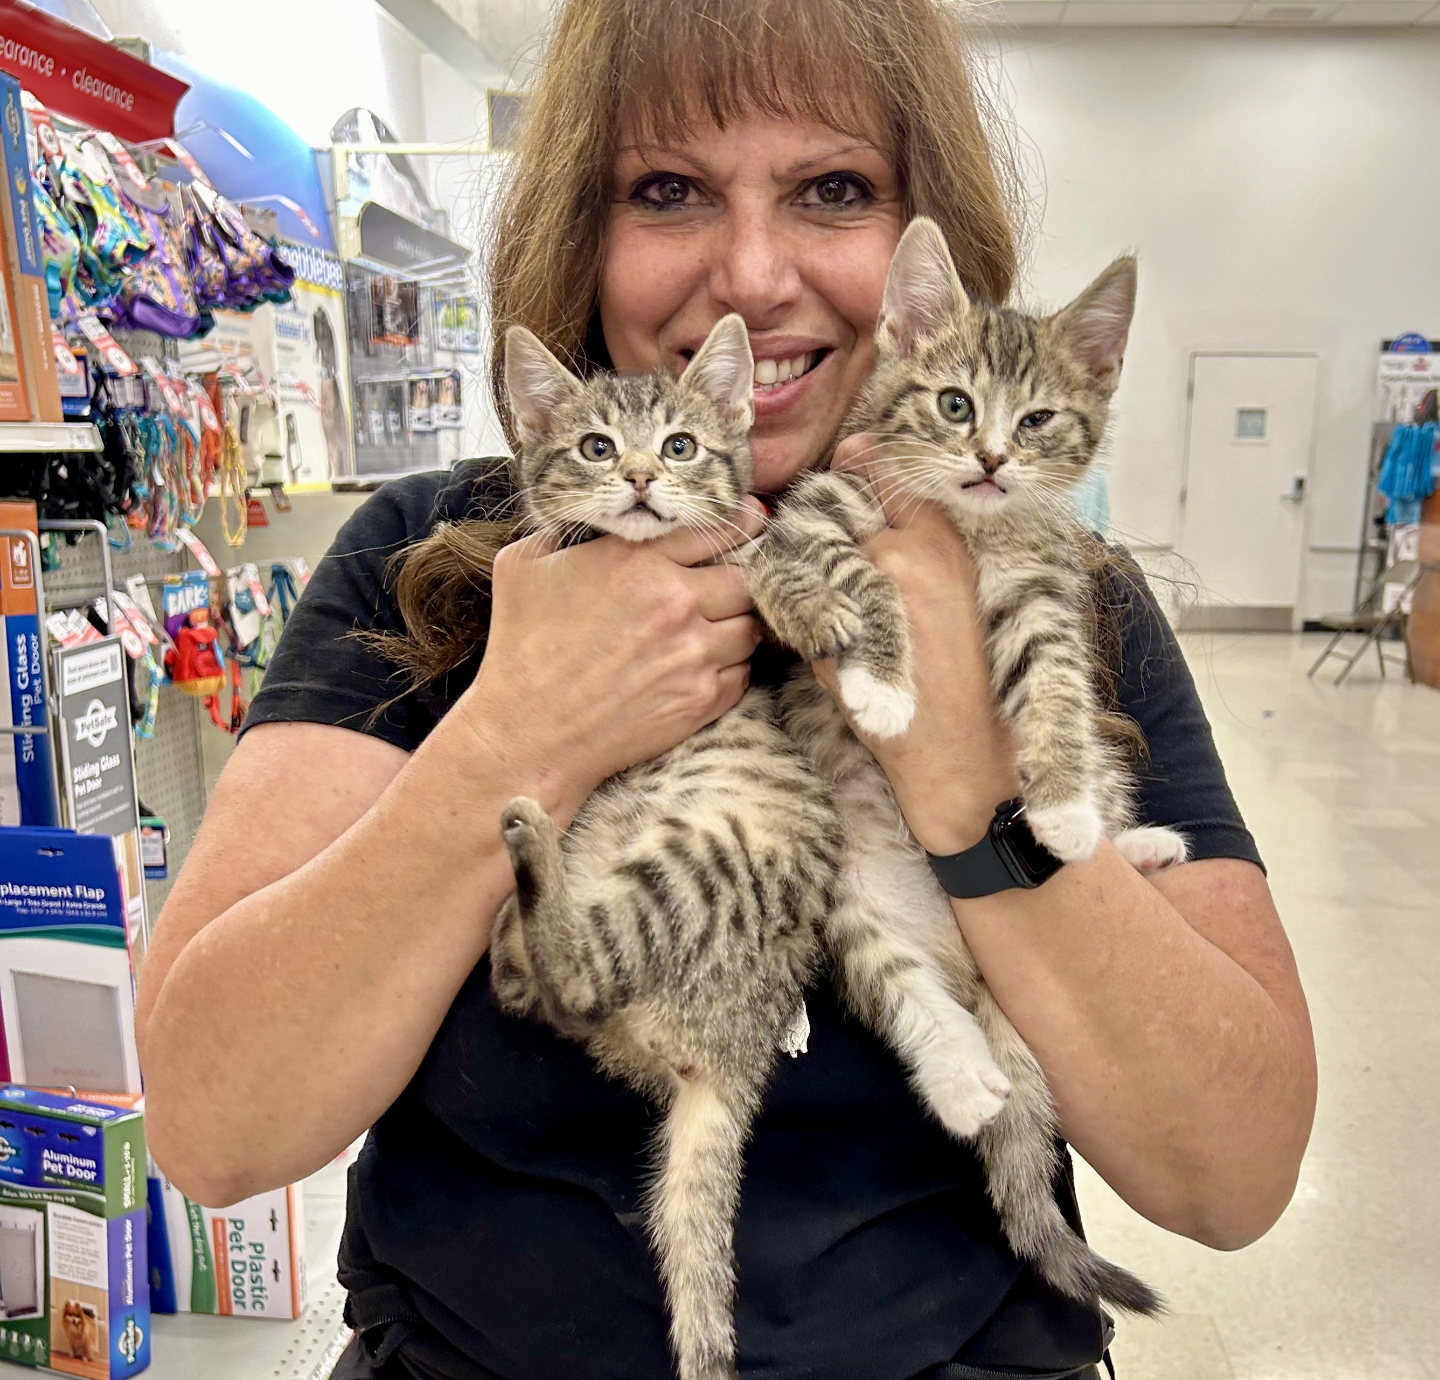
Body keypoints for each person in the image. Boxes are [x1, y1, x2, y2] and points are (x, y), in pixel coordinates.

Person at [134, 1, 1317, 1377]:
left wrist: (964, 769)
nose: (751, 275)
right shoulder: (425, 566)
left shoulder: (1057, 590)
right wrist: (516, 735)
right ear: (582, 230)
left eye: (834, 190)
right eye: (667, 190)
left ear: (927, 260)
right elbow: (215, 1129)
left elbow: (1230, 1179)